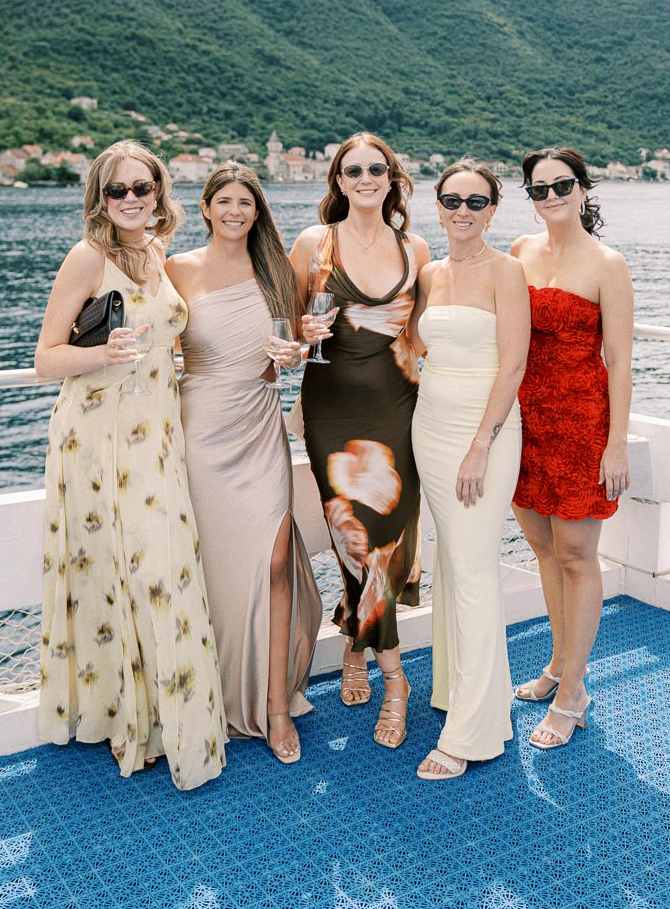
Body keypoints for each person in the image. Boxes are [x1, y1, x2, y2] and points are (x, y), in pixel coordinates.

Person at [34, 140, 227, 790]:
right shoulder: (86, 258)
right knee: (127, 573)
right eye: (119, 191)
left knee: (162, 569)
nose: (132, 200)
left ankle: (159, 719)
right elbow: (46, 359)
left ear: (159, 193)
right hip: (98, 440)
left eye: (143, 188)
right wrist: (101, 354)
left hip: (158, 437)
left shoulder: (156, 253)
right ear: (100, 198)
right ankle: (128, 720)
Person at [167, 162, 321, 766]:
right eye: (224, 201)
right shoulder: (176, 268)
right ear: (205, 207)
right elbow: (157, 339)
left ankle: (276, 707)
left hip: (259, 424)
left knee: (275, 560)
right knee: (214, 564)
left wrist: (295, 353)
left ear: (258, 212)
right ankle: (212, 692)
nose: (235, 211)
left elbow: (297, 345)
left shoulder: (277, 269)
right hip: (201, 426)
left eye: (246, 203)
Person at [290, 133, 430, 750]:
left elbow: (425, 337)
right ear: (339, 181)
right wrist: (299, 331)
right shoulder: (312, 245)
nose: (366, 177)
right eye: (354, 170)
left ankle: (355, 640)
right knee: (355, 539)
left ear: (391, 178)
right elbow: (294, 335)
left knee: (387, 541)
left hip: (401, 411)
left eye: (377, 168)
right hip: (331, 412)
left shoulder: (417, 248)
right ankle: (395, 679)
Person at [409, 159, 530, 779]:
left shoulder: (508, 271)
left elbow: (513, 366)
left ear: (492, 208)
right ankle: (457, 691)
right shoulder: (429, 272)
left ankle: (473, 734)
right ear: (438, 206)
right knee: (451, 566)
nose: (462, 211)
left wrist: (482, 443)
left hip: (482, 434)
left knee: (476, 570)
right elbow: (413, 348)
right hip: (428, 427)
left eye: (475, 202)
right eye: (452, 200)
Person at [511, 145, 633, 750]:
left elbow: (621, 363)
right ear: (529, 198)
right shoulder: (519, 254)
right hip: (526, 420)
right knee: (542, 548)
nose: (552, 196)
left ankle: (574, 691)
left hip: (583, 423)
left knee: (578, 557)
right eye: (539, 188)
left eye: (562, 185)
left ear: (584, 189)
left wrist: (616, 445)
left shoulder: (608, 264)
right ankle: (558, 664)